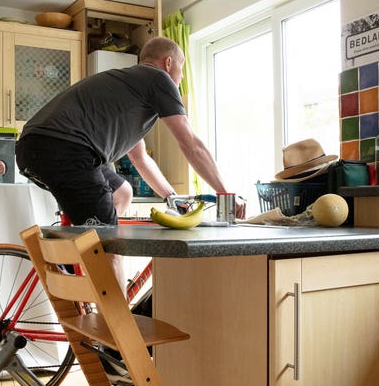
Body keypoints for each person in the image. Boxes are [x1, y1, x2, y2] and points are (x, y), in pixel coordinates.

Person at [16, 36, 245, 288]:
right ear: (168, 63)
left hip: (36, 147)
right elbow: (190, 143)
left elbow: (140, 158)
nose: (179, 79)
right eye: (180, 69)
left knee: (122, 192)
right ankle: (117, 325)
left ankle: (83, 264)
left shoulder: (129, 90)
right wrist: (225, 193)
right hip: (64, 148)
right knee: (108, 247)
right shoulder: (159, 79)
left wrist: (171, 196)